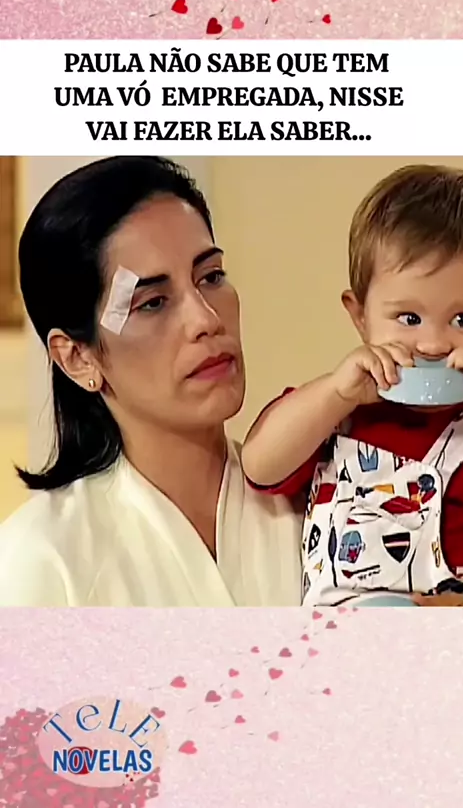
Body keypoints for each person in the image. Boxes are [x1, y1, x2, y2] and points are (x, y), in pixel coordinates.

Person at [0, 156, 302, 606]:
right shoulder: (43, 560)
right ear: (78, 358)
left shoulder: (324, 505)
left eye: (211, 277)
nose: (206, 319)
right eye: (153, 302)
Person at [242, 164, 463, 608]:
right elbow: (258, 465)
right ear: (360, 317)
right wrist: (335, 392)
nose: (433, 345)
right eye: (409, 318)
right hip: (339, 636)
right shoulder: (341, 407)